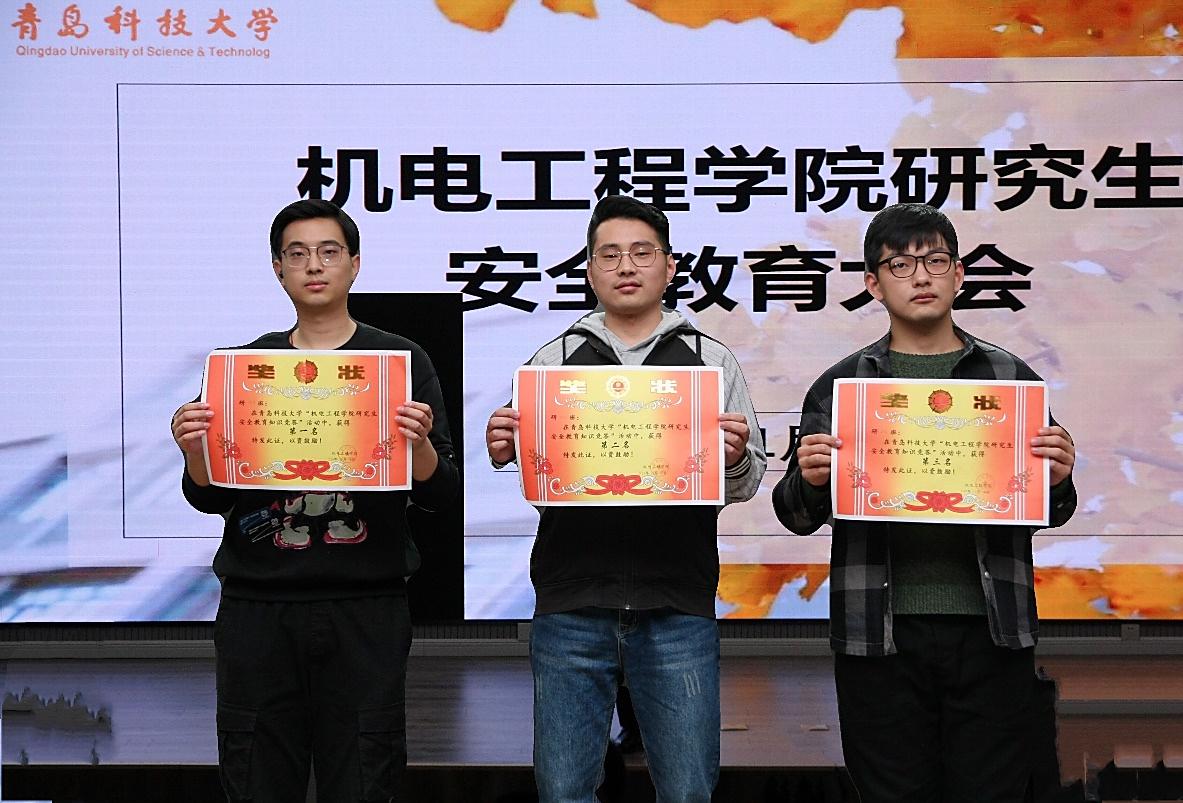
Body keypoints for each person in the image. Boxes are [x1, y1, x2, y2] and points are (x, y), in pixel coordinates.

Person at [772, 203, 1077, 803]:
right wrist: (810, 479)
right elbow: (796, 515)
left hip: (992, 631)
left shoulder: (1009, 377)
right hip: (877, 633)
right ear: (873, 283)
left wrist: (1060, 476)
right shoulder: (842, 385)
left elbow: (1052, 509)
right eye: (900, 264)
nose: (920, 276)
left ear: (958, 275)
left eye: (935, 261)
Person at [171, 199, 459, 803]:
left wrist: (417, 445)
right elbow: (210, 496)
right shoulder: (244, 368)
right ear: (277, 268)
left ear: (355, 263)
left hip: (366, 607)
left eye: (329, 251)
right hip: (258, 607)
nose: (314, 265)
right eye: (297, 253)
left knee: (364, 776)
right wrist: (196, 450)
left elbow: (441, 493)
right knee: (256, 776)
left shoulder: (399, 361)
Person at [485, 195, 766, 803]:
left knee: (688, 791)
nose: (626, 266)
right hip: (572, 602)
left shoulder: (710, 360)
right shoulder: (554, 361)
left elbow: (748, 481)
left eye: (642, 252)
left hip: (676, 603)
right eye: (609, 255)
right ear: (589, 269)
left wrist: (735, 457)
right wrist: (508, 446)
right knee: (563, 792)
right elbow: (543, 484)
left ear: (670, 266)